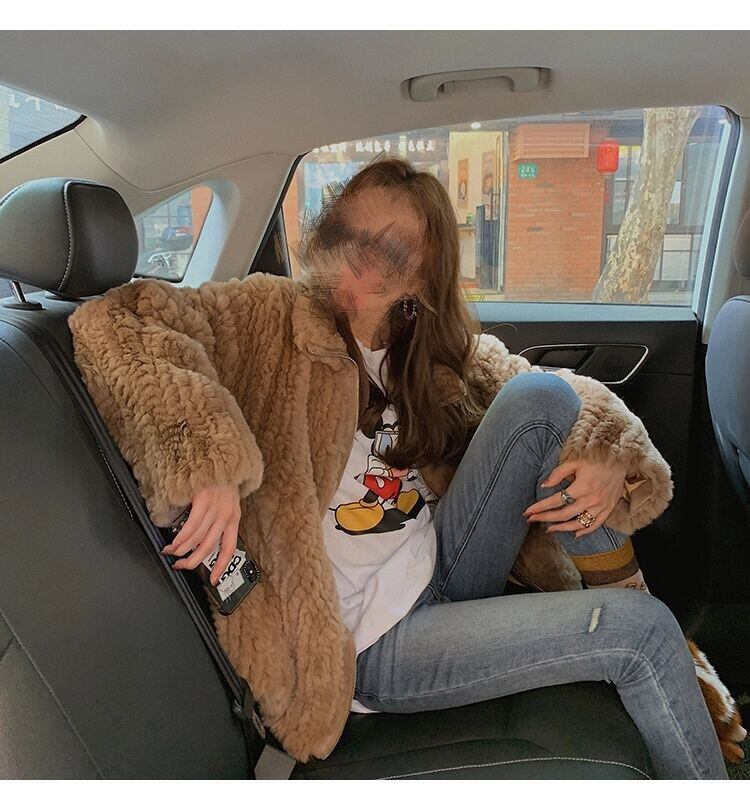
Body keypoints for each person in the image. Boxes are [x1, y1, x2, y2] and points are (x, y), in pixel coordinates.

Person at [67, 153, 742, 776]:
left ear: (420, 275)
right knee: (645, 636)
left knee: (544, 400)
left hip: (445, 567)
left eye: (388, 255)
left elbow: (549, 389)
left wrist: (608, 458)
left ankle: (638, 613)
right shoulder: (268, 315)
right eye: (345, 236)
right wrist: (209, 460)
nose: (355, 267)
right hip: (367, 644)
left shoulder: (422, 349)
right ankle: (662, 659)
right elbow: (120, 323)